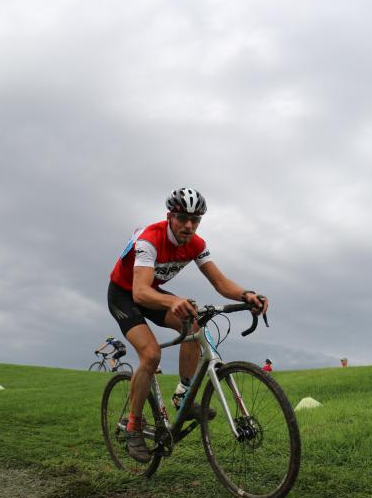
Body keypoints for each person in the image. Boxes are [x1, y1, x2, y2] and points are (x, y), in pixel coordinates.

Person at [108, 187, 268, 463]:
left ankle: (183, 395)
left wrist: (246, 295)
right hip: (125, 294)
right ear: (170, 216)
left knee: (195, 325)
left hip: (150, 292)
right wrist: (172, 301)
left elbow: (220, 283)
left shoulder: (196, 243)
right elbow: (140, 293)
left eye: (196, 220)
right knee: (150, 354)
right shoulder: (150, 240)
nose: (189, 225)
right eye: (183, 218)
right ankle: (134, 425)